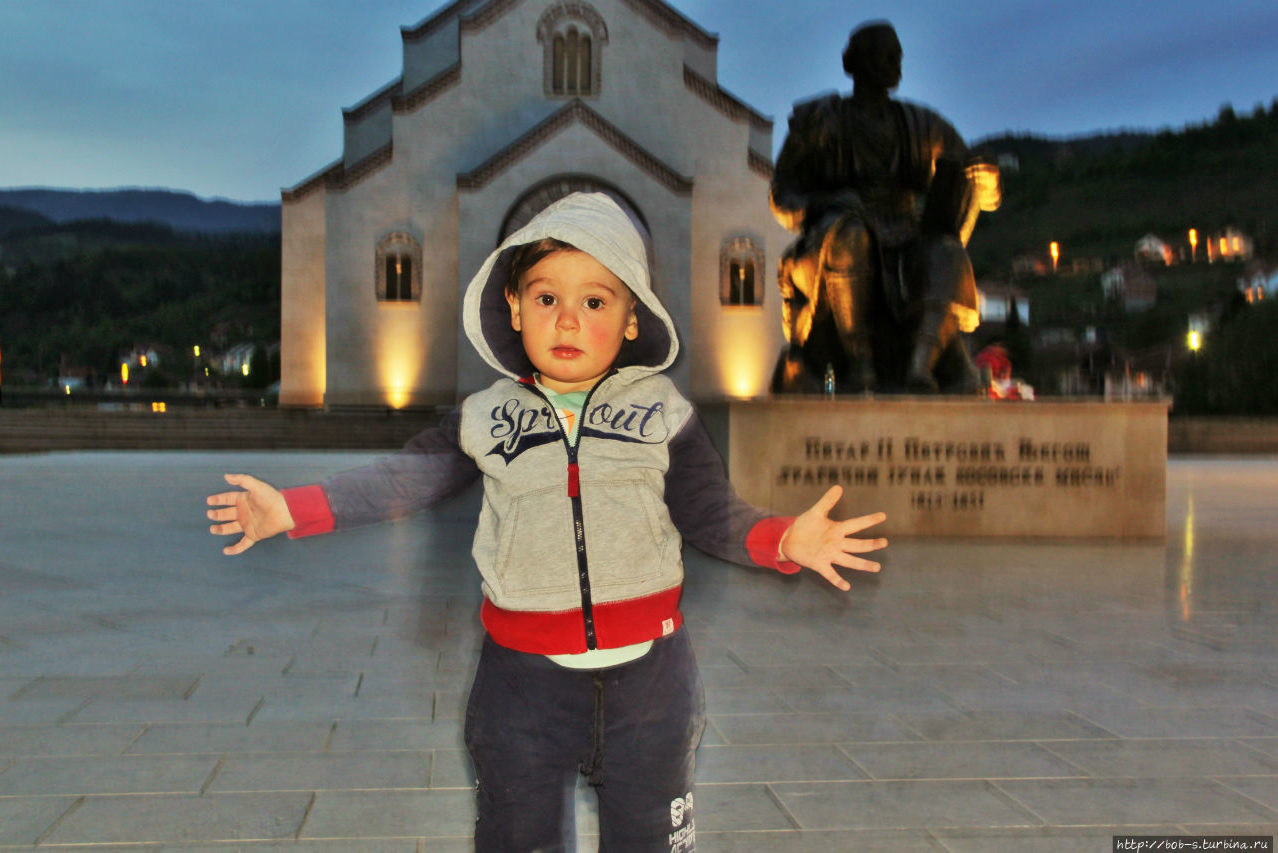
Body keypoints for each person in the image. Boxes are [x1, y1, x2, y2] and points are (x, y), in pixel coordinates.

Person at [206, 192, 887, 852]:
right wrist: (291, 508)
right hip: (521, 686)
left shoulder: (662, 412)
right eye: (546, 297)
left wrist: (784, 539)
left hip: (649, 685)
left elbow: (711, 513)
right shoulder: (486, 415)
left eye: (594, 301)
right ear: (514, 305)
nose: (567, 320)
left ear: (629, 318)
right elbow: (402, 478)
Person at [770, 20, 1000, 393]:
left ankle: (919, 366)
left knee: (944, 250)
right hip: (830, 239)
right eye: (886, 55)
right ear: (856, 63)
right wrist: (825, 203)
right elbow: (782, 196)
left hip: (905, 239)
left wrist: (985, 175)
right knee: (851, 237)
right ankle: (860, 364)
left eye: (898, 56)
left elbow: (969, 170)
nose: (896, 63)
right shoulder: (819, 121)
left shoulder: (920, 124)